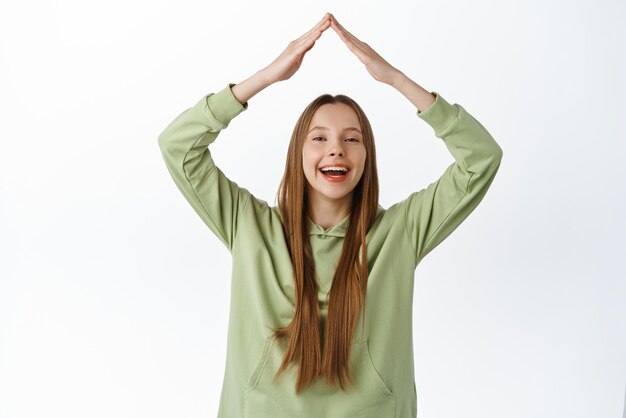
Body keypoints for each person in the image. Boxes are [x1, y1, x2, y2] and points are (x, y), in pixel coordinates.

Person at [158, 12, 502, 418]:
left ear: (366, 157)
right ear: (298, 154)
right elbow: (178, 146)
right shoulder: (248, 225)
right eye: (319, 138)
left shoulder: (401, 232)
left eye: (351, 139)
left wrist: (395, 79)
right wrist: (266, 77)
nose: (336, 149)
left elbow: (481, 159)